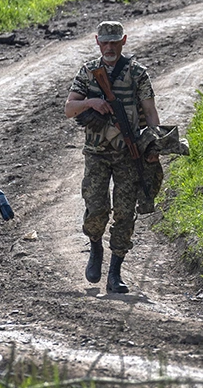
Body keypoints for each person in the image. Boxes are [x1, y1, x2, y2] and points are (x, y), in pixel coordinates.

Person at [64, 20, 162, 294]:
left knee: (125, 212)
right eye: (105, 42)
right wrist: (91, 103)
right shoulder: (88, 72)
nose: (109, 47)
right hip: (96, 154)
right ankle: (95, 246)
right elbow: (69, 108)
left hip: (128, 155)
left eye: (114, 42)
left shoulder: (137, 73)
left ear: (124, 41)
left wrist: (153, 144)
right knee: (96, 208)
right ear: (97, 41)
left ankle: (115, 271)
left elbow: (150, 112)